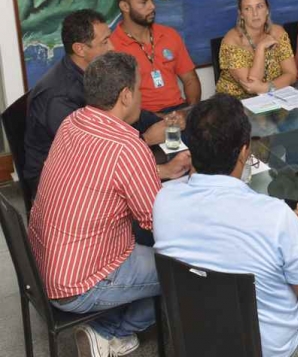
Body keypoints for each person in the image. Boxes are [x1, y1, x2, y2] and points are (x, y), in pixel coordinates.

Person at [153, 94, 298, 357]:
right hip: (266, 350)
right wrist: (295, 238)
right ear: (245, 152)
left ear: (191, 151)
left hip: (197, 337)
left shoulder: (164, 199)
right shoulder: (277, 218)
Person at [28, 52, 186, 357]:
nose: (141, 96)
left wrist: (162, 172)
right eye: (139, 89)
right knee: (185, 269)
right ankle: (108, 332)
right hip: (77, 283)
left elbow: (101, 176)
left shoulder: (73, 122)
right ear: (126, 96)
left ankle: (109, 319)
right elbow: (158, 221)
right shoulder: (128, 147)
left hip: (44, 263)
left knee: (145, 241)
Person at [24, 10, 185, 198]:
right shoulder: (58, 98)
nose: (112, 47)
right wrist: (147, 141)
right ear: (80, 49)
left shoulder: (95, 72)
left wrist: (162, 121)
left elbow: (123, 111)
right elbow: (91, 157)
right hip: (60, 184)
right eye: (104, 42)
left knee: (180, 152)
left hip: (96, 159)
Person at [110, 0, 201, 113]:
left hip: (179, 111)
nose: (152, 6)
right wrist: (159, 120)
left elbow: (190, 79)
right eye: (144, 2)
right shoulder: (111, 47)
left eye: (152, 0)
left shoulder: (170, 35)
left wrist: (190, 112)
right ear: (124, 6)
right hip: (141, 118)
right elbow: (115, 102)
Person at [216, 0, 297, 98]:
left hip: (272, 96)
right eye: (248, 9)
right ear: (241, 14)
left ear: (267, 10)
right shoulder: (231, 41)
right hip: (235, 103)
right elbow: (250, 87)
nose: (255, 13)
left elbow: (291, 74)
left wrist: (267, 88)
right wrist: (261, 48)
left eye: (259, 6)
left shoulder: (278, 33)